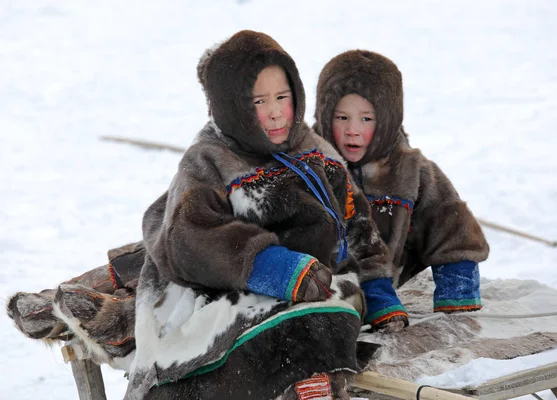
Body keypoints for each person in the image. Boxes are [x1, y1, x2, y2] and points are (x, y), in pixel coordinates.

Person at [8, 32, 404, 400]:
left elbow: (356, 226)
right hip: (222, 283)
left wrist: (379, 290)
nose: (276, 113)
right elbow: (189, 237)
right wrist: (272, 266)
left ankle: (112, 319)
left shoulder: (314, 151)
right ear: (233, 107)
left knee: (331, 311)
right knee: (164, 273)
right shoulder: (210, 159)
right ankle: (93, 313)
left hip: (315, 281)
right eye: (258, 102)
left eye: (282, 97)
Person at [313, 50, 490, 317]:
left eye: (366, 119)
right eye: (341, 117)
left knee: (447, 211)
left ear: (387, 120)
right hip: (330, 284)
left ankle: (456, 288)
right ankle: (371, 298)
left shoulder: (406, 166)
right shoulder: (310, 163)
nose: (353, 129)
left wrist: (458, 275)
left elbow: (450, 221)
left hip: (390, 273)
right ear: (325, 116)